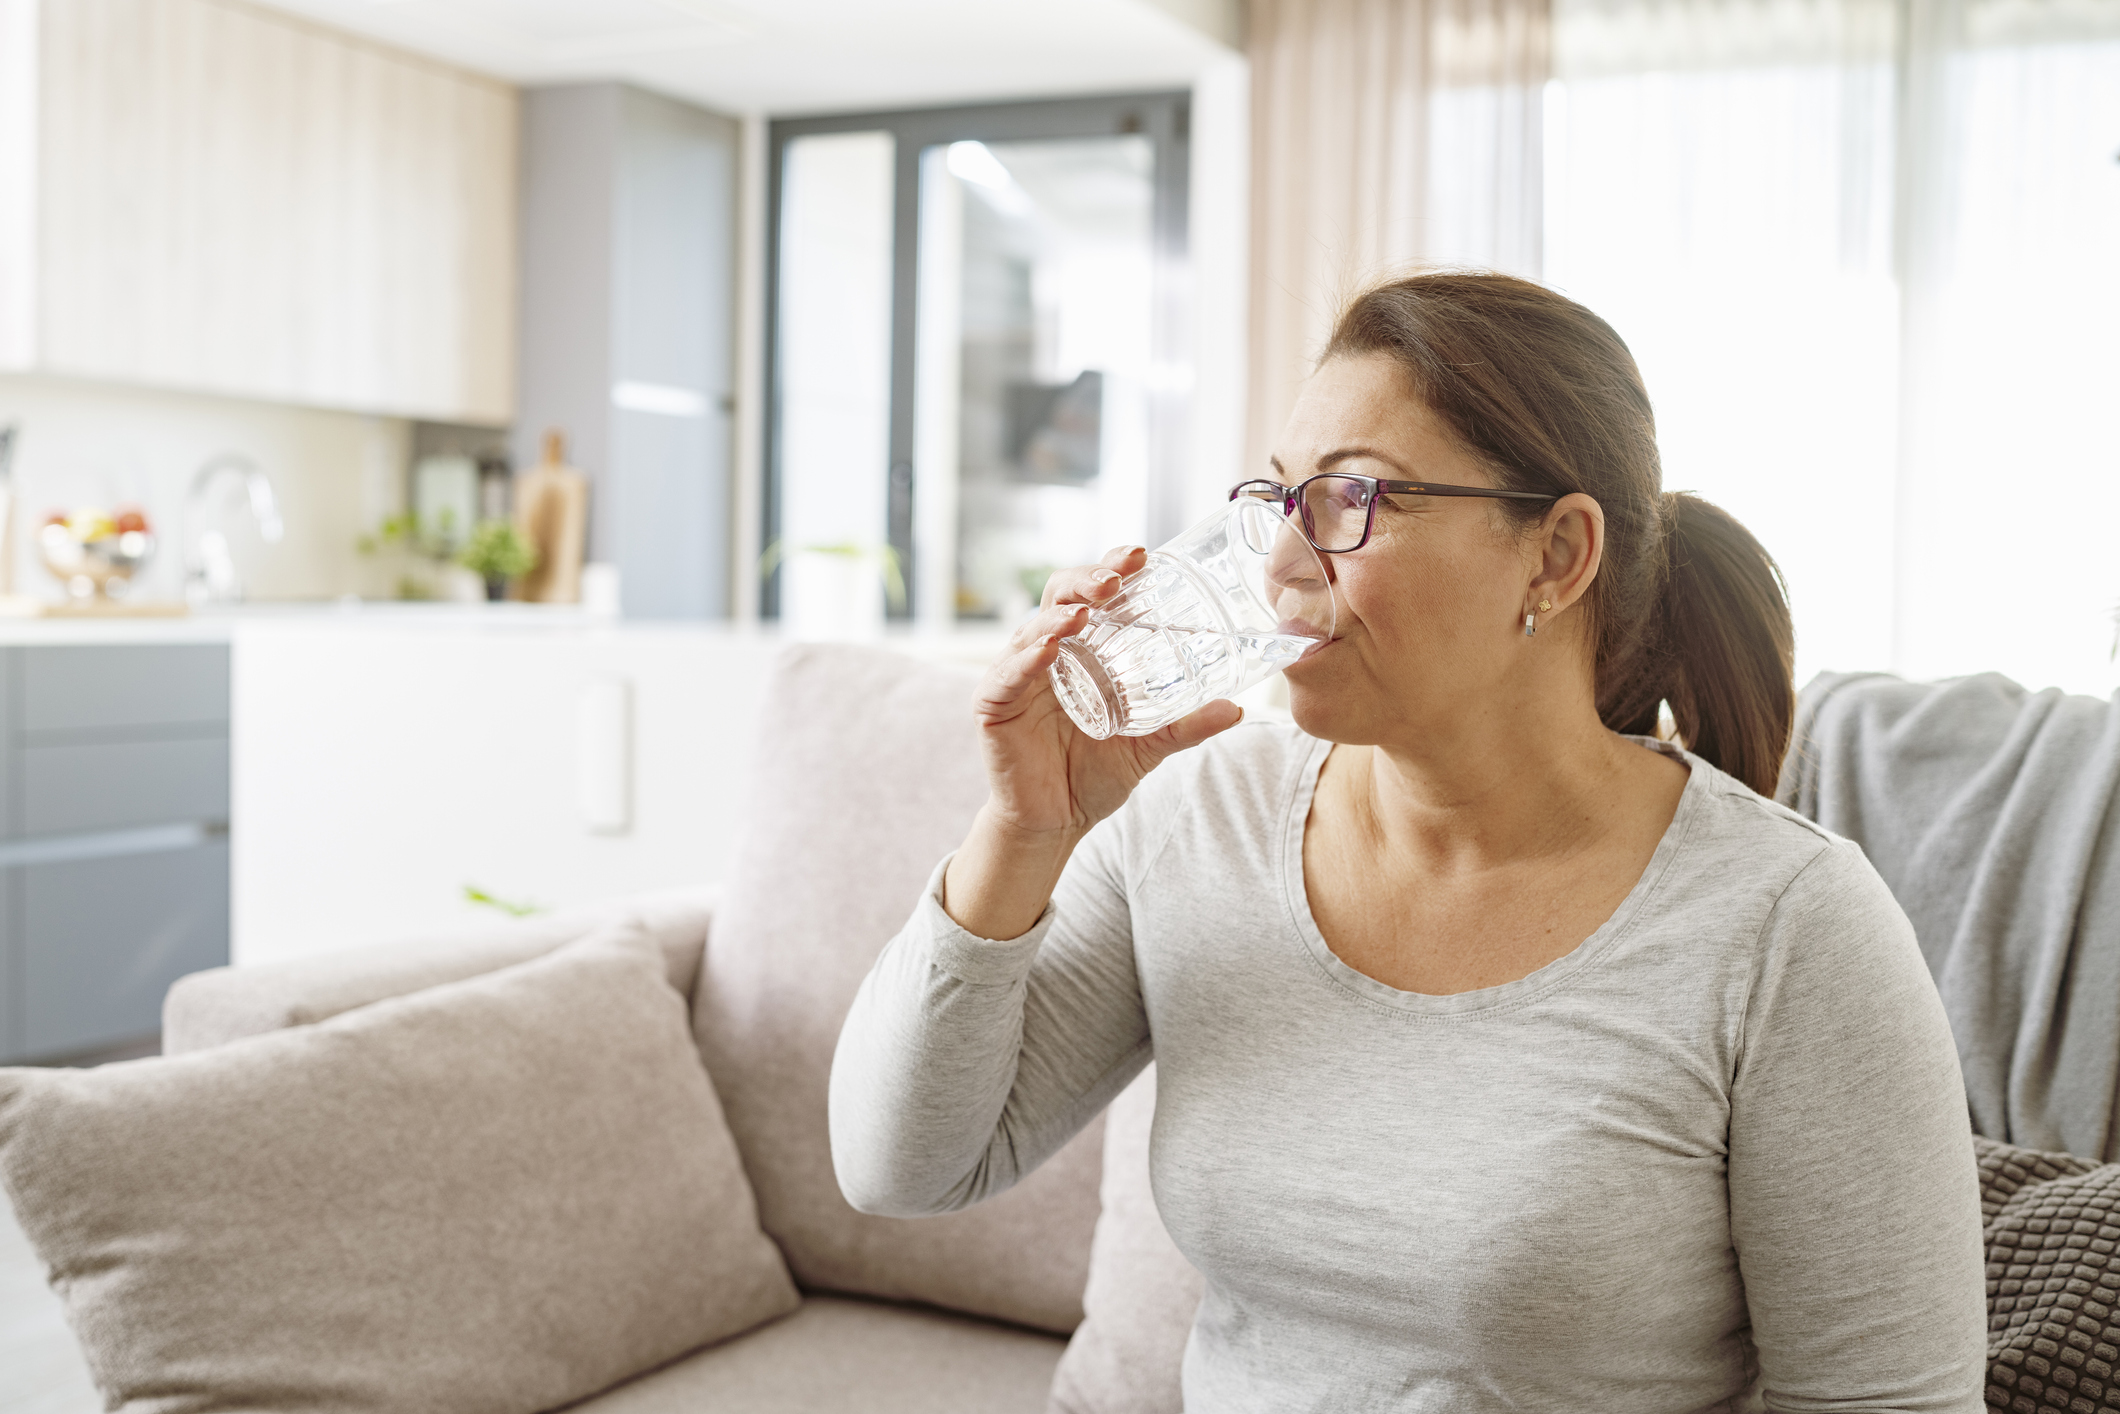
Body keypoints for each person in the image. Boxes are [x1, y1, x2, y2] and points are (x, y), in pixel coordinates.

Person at [828, 271, 1987, 1410]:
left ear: (1555, 554)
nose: (1281, 563)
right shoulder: (1200, 817)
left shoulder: (1789, 928)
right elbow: (902, 1166)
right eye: (1281, 499)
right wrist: (1025, 831)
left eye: (1350, 501)